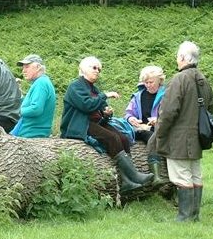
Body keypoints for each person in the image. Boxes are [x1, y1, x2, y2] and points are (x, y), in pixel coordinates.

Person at [60, 56, 153, 193]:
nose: (97, 71)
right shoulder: (75, 86)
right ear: (83, 68)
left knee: (122, 138)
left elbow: (100, 107)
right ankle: (134, 176)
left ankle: (127, 181)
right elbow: (86, 105)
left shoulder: (94, 89)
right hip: (79, 125)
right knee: (111, 138)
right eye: (94, 67)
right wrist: (105, 95)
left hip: (95, 123)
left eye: (99, 69)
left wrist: (107, 113)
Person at [155, 41, 213, 222]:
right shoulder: (203, 80)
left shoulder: (179, 79)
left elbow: (168, 111)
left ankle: (184, 217)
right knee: (195, 174)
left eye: (177, 56)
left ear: (182, 57)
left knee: (181, 176)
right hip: (198, 136)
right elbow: (210, 108)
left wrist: (160, 131)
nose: (176, 59)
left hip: (179, 137)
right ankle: (194, 216)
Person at [124, 65, 167, 184]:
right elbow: (128, 113)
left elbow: (171, 114)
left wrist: (158, 120)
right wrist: (131, 119)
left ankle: (157, 176)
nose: (148, 85)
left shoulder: (167, 95)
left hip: (159, 128)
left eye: (151, 82)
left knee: (152, 137)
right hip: (140, 128)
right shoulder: (138, 96)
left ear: (160, 81)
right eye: (146, 82)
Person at [9, 54, 56, 138]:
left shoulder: (41, 83)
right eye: (23, 67)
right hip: (30, 133)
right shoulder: (40, 82)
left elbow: (35, 109)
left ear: (38, 67)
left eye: (27, 67)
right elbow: (29, 105)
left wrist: (16, 111)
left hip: (31, 134)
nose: (23, 71)